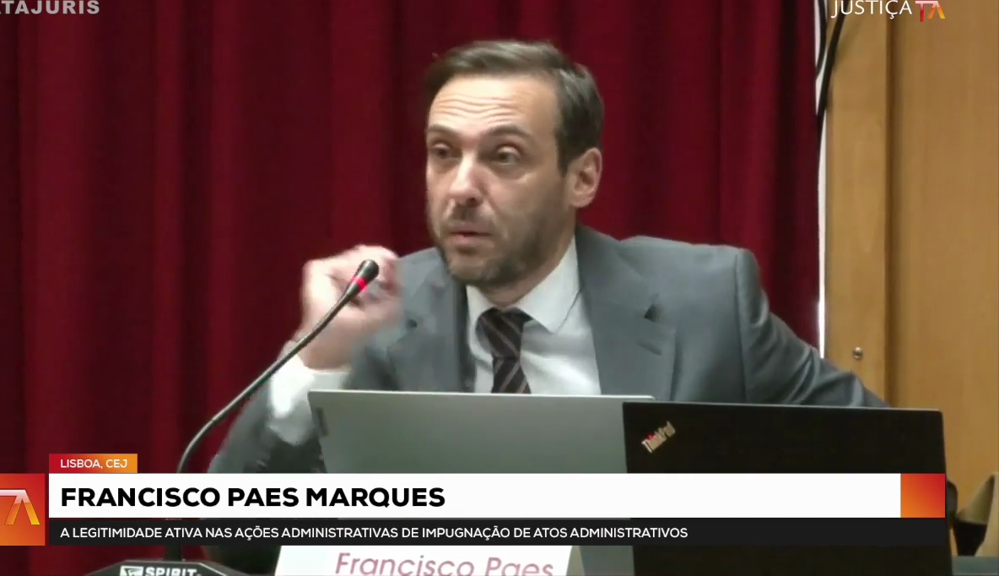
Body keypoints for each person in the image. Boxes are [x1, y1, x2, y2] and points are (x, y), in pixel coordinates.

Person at [205, 39, 885, 572]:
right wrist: (316, 360)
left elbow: (896, 477)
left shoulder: (706, 303)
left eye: (503, 157)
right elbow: (237, 544)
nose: (460, 188)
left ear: (581, 177)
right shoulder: (372, 321)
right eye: (442, 153)